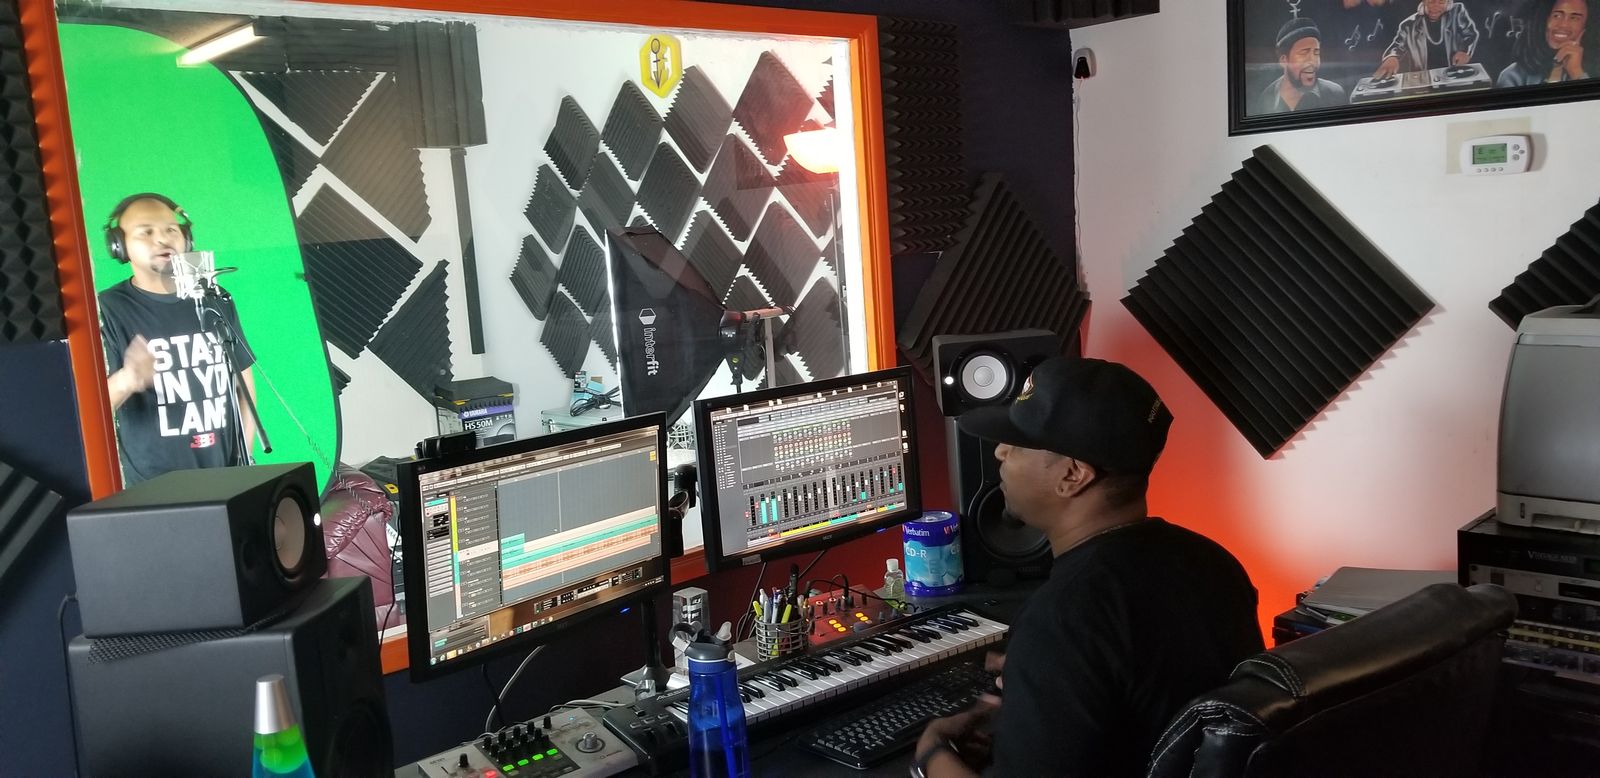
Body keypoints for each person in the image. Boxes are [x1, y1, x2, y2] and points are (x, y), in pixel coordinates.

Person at [911, 357, 1263, 778]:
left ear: (1072, 475)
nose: (1000, 451)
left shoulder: (1064, 618)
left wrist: (931, 755)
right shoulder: (1214, 561)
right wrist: (1050, 682)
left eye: (1018, 443)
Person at [98, 193, 257, 485]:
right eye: (146, 232)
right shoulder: (106, 309)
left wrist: (244, 462)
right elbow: (89, 414)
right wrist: (128, 379)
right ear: (119, 246)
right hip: (154, 491)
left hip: (227, 478)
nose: (162, 239)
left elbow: (244, 388)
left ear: (186, 238)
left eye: (171, 229)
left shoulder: (214, 298)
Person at [1254, 17, 1349, 114]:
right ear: (1284, 60)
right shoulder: (1266, 98)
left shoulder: (1335, 94)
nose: (1313, 61)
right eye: (1304, 53)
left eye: (1316, 53)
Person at [1373, 0, 1480, 78]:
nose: (1435, 6)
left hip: (1454, 75)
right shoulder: (1408, 25)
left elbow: (1471, 34)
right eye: (1431, 1)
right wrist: (1391, 58)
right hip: (1423, 79)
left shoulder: (1458, 11)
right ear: (1423, 2)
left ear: (1448, 4)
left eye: (1441, 2)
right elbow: (1397, 46)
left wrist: (1465, 51)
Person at [1498, 0, 1592, 86]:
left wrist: (1576, 73)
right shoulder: (1512, 76)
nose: (1564, 25)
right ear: (1542, 20)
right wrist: (1555, 72)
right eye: (1556, 16)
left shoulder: (1590, 70)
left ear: (1584, 27)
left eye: (1574, 18)